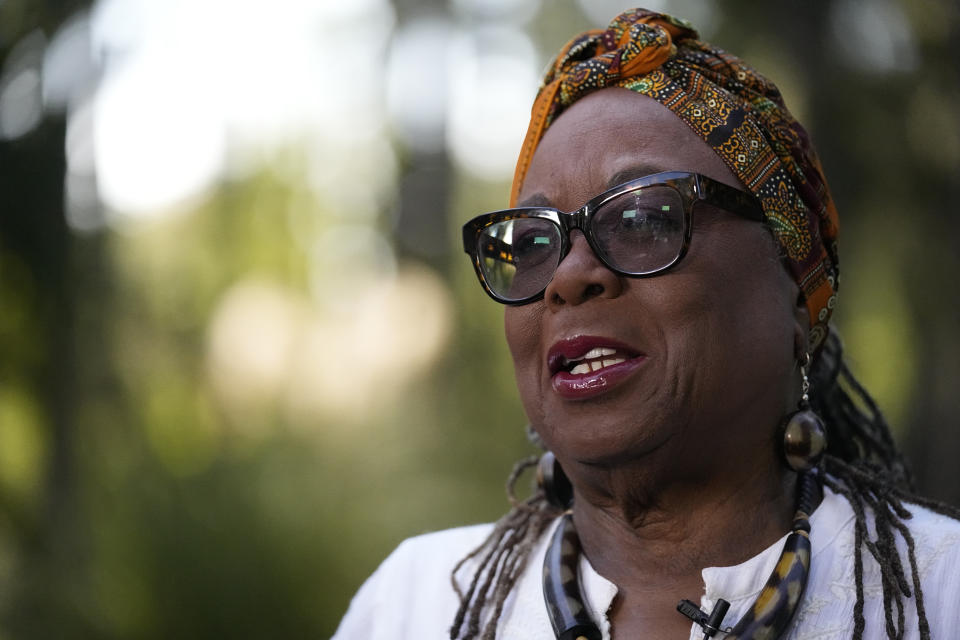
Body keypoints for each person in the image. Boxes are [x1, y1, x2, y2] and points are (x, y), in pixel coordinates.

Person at [333, 8, 960, 640]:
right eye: (528, 243)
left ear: (794, 294)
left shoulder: (940, 595)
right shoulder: (417, 605)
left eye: (643, 217)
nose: (567, 277)